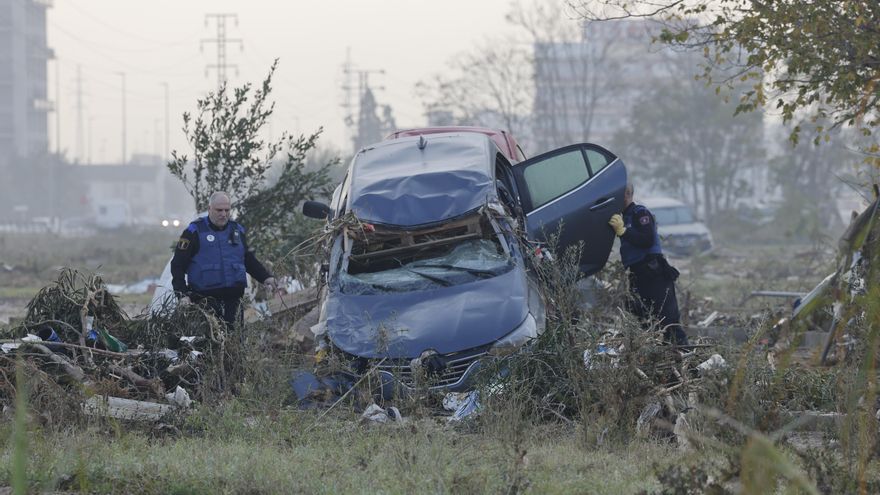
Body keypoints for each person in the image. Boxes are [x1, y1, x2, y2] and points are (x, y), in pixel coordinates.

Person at [171, 191, 277, 326]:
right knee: (209, 341)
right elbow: (177, 265)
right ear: (209, 209)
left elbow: (248, 259)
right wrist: (182, 295)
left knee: (235, 340)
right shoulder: (194, 231)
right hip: (205, 301)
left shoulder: (237, 230)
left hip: (234, 300)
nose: (223, 214)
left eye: (227, 210)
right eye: (219, 210)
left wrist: (266, 277)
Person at [608, 183, 689, 345]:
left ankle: (686, 358)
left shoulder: (640, 213)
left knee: (669, 322)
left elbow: (647, 239)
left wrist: (624, 231)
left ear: (626, 195)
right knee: (641, 321)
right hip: (637, 276)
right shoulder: (622, 217)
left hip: (654, 273)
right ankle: (652, 361)